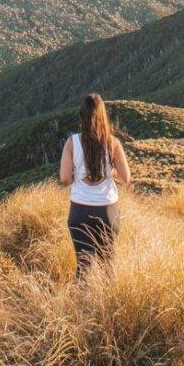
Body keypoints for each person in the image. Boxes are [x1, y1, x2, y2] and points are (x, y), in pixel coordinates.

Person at [59, 93, 131, 275]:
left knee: (83, 267)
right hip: (107, 210)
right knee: (108, 267)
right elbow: (126, 177)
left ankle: (80, 302)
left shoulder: (72, 143)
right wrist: (108, 172)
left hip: (80, 210)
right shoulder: (113, 143)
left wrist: (81, 174)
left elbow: (65, 179)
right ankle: (106, 303)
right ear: (102, 115)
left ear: (82, 115)